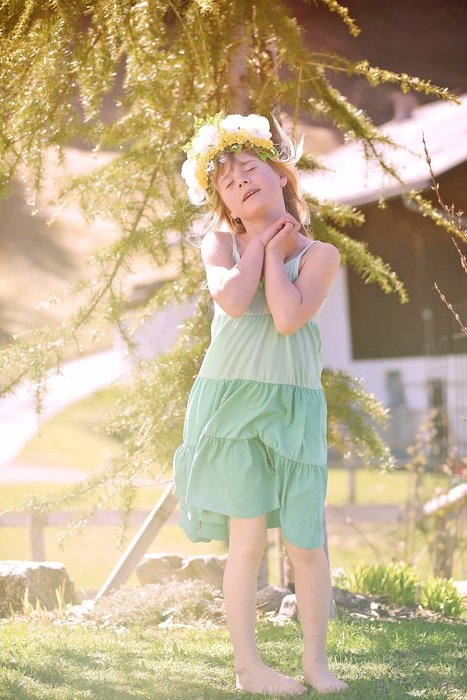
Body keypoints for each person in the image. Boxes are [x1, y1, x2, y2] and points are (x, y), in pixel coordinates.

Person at [174, 112, 347, 696]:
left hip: (293, 405)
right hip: (233, 404)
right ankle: (249, 667)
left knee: (305, 541)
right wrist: (258, 250)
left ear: (280, 177)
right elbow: (232, 299)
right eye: (227, 180)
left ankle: (316, 663)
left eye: (251, 168)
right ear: (222, 202)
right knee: (246, 542)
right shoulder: (220, 242)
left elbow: (286, 315)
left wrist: (276, 252)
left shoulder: (320, 254)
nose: (241, 180)